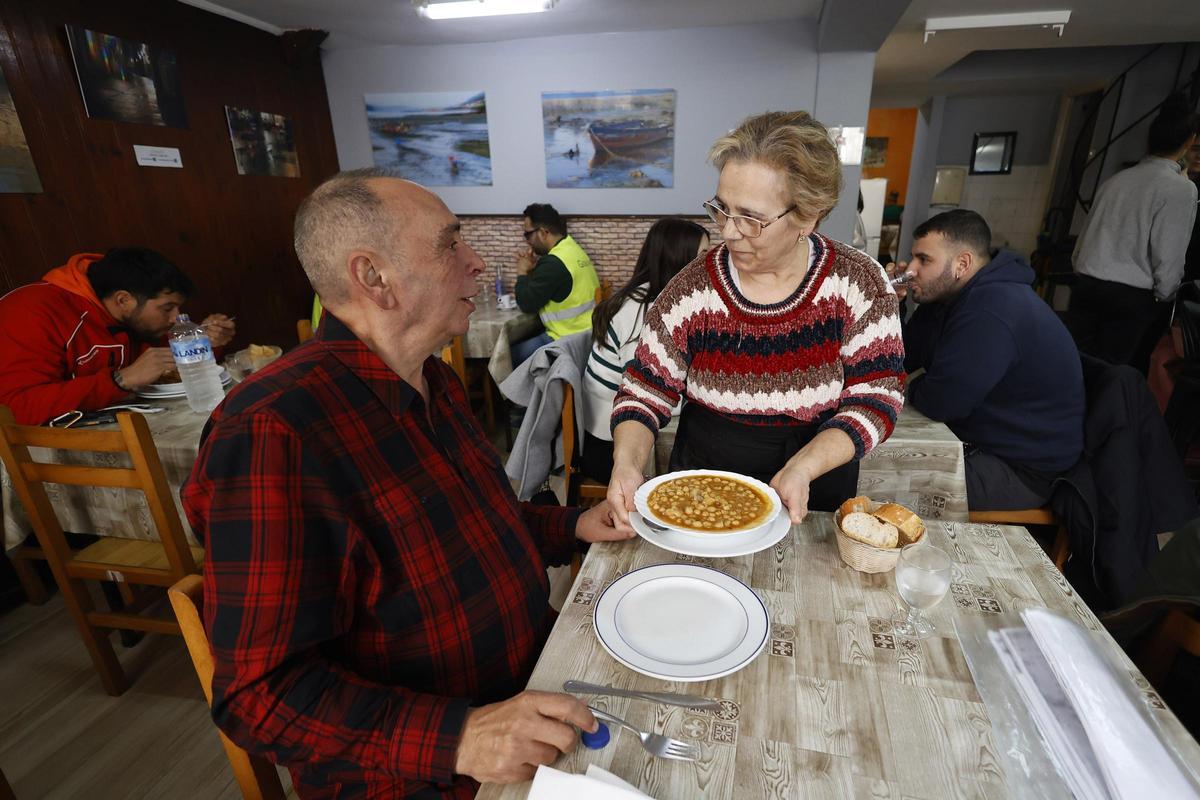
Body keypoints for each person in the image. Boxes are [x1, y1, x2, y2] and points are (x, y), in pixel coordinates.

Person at [182, 169, 629, 799]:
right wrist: (461, 737)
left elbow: (477, 522)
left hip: (534, 685)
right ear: (373, 277)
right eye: (451, 245)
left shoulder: (432, 380)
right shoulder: (275, 431)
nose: (477, 263)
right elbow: (260, 695)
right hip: (426, 772)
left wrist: (571, 525)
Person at [606, 111, 906, 530]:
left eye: (751, 218)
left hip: (816, 475)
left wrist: (804, 466)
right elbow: (643, 393)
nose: (728, 232)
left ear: (808, 215)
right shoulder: (692, 289)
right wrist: (626, 462)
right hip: (705, 472)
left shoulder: (858, 284)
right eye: (722, 209)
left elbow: (878, 399)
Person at [890, 209, 1085, 511]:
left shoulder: (992, 310)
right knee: (870, 453)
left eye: (924, 260)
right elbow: (902, 360)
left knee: (887, 481)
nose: (912, 269)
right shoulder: (947, 297)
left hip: (1020, 470)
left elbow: (940, 402)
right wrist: (894, 305)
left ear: (962, 263)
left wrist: (912, 387)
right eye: (913, 258)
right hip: (979, 442)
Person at [0, 248, 235, 425]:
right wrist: (120, 380)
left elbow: (160, 360)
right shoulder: (31, 312)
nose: (176, 317)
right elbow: (15, 409)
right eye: (167, 308)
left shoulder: (124, 315)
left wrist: (205, 343)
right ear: (124, 299)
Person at [1069, 99, 1199, 367]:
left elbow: (1084, 241)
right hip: (1128, 298)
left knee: (1075, 366)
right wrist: (1166, 296)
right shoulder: (1180, 189)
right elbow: (1168, 254)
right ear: (1188, 142)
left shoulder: (1116, 180)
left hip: (1086, 285)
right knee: (1113, 379)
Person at [580, 218, 709, 483]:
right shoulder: (645, 313)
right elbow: (647, 396)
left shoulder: (653, 298)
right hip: (613, 448)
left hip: (615, 434)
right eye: (702, 257)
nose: (710, 266)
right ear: (679, 260)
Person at [511, 203, 600, 365]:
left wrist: (522, 272)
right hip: (586, 335)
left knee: (508, 356)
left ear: (543, 233)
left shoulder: (553, 263)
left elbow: (526, 303)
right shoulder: (571, 248)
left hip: (566, 340)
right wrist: (533, 271)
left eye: (527, 234)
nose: (526, 241)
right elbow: (549, 288)